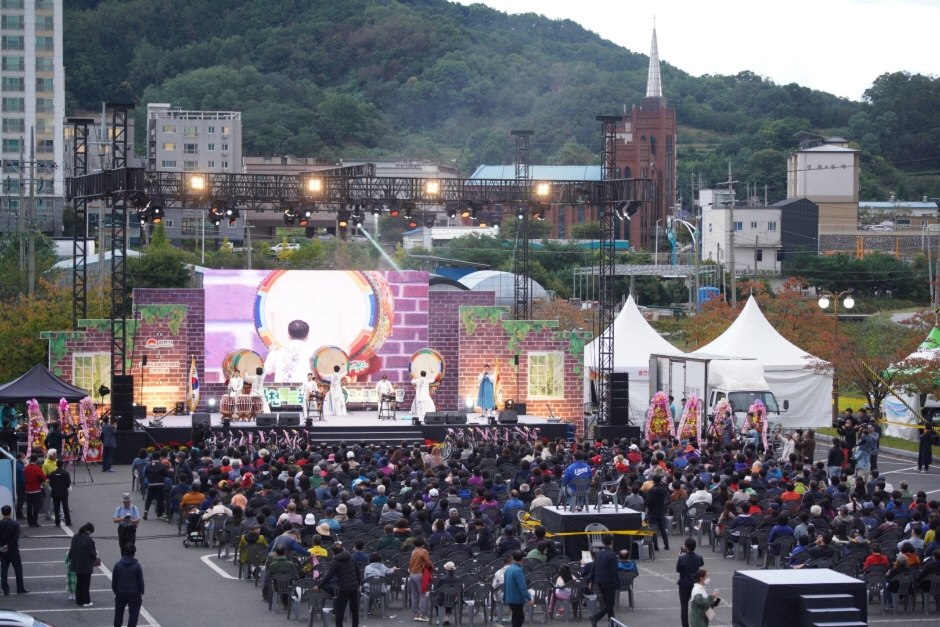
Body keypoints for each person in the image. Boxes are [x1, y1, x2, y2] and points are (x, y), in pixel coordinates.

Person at [313, 542, 362, 627]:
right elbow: (358, 572)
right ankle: (355, 625)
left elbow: (329, 575)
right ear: (343, 549)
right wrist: (358, 584)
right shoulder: (351, 557)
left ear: (332, 552)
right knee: (354, 609)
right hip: (354, 586)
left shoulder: (335, 561)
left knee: (340, 609)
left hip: (344, 587)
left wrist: (319, 587)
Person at [263, 319, 315, 383]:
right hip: (305, 392)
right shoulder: (313, 354)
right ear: (307, 336)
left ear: (289, 335)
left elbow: (266, 370)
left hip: (281, 392)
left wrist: (271, 352)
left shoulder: (276, 354)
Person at [588, 534, 618, 627]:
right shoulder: (612, 555)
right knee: (610, 603)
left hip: (599, 581)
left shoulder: (598, 553)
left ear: (603, 542)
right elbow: (614, 571)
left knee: (607, 602)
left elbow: (593, 568)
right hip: (608, 581)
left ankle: (611, 619)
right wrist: (616, 582)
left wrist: (591, 581)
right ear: (612, 542)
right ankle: (596, 617)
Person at [111, 543, 144, 627]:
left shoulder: (118, 565)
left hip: (121, 592)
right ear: (134, 552)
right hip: (134, 593)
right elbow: (140, 581)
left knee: (118, 614)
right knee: (133, 615)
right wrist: (141, 591)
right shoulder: (137, 566)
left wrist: (116, 591)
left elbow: (114, 581)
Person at [676, 538, 705, 627]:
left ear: (686, 547)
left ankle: (685, 625)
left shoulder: (682, 558)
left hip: (684, 584)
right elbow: (701, 564)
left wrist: (680, 557)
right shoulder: (699, 557)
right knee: (697, 605)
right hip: (695, 585)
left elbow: (678, 569)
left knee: (684, 607)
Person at [0, 505, 27, 595]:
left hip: (2, 549)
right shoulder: (15, 524)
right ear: (10, 513)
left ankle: (5, 589)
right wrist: (9, 545)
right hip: (13, 549)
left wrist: (3, 546)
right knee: (18, 568)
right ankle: (20, 588)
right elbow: (16, 537)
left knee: (4, 569)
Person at [69, 522, 98, 607]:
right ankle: (86, 601)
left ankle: (79, 600)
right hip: (85, 564)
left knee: (79, 582)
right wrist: (95, 556)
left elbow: (72, 549)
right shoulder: (88, 539)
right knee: (85, 583)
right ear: (88, 531)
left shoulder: (75, 536)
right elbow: (92, 552)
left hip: (76, 563)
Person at [504, 550, 532, 627]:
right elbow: (522, 586)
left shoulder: (509, 569)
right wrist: (529, 598)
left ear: (513, 558)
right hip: (517, 598)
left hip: (510, 597)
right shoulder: (518, 570)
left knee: (516, 617)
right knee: (519, 619)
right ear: (522, 559)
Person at [408, 536, 432, 621]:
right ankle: (423, 614)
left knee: (414, 595)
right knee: (422, 595)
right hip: (419, 574)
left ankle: (415, 614)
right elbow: (428, 564)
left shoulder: (413, 551)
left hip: (412, 574)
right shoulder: (424, 551)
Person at [644, 475, 670, 551]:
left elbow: (648, 503)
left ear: (653, 481)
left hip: (652, 511)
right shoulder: (664, 490)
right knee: (662, 528)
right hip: (661, 510)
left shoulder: (651, 491)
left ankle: (656, 546)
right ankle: (666, 545)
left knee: (652, 529)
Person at [142, 452, 168, 520]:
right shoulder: (162, 465)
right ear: (159, 458)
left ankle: (146, 510)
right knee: (160, 499)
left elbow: (145, 474)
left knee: (149, 498)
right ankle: (158, 515)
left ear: (152, 457)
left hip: (151, 484)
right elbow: (166, 474)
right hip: (160, 484)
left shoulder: (148, 466)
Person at [23, 454, 46, 527]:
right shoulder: (37, 468)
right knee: (36, 507)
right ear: (36, 460)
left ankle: (30, 522)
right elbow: (43, 478)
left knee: (29, 506)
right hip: (36, 489)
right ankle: (35, 520)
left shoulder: (26, 468)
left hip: (28, 489)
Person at [48, 459, 72, 527]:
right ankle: (68, 521)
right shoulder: (65, 473)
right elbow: (68, 484)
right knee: (65, 507)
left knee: (56, 507)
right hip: (63, 492)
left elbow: (50, 483)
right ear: (62, 465)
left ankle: (57, 522)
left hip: (55, 492)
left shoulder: (52, 474)